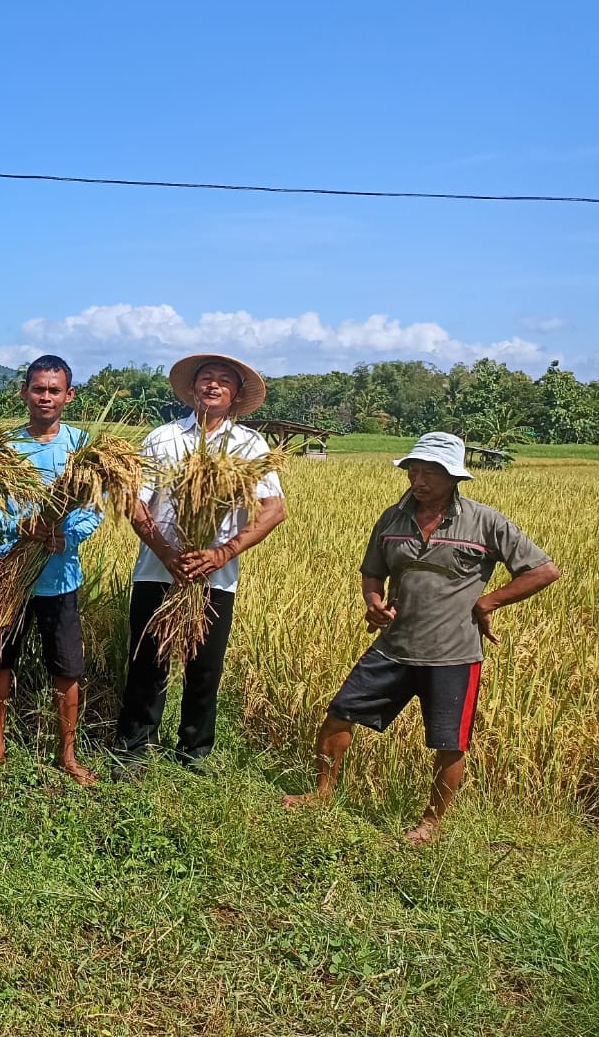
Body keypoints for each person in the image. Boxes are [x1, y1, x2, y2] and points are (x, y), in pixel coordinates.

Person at [285, 432, 560, 843]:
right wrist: (373, 601)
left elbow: (543, 570)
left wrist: (489, 602)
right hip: (394, 646)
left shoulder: (485, 521)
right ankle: (323, 794)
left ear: (454, 477)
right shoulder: (392, 519)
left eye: (429, 472)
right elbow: (372, 571)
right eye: (413, 471)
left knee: (450, 743)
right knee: (339, 713)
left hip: (454, 653)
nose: (418, 480)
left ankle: (431, 824)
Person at [113, 353, 286, 776]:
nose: (213, 385)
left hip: (216, 577)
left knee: (204, 668)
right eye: (206, 378)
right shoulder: (163, 438)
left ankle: (195, 753)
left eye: (223, 381)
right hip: (158, 569)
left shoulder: (251, 447)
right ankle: (134, 747)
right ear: (192, 389)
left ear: (236, 394)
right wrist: (167, 552)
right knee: (147, 660)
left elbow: (274, 509)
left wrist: (220, 554)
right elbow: (135, 503)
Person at [0, 355, 102, 786]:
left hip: (60, 576)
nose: (45, 396)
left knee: (66, 668)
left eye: (54, 390)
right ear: (24, 391)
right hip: (8, 574)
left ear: (69, 395)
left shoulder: (83, 447)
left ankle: (67, 754)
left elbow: (93, 510)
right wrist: (20, 526)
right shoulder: (4, 446)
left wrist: (66, 537)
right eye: (37, 388)